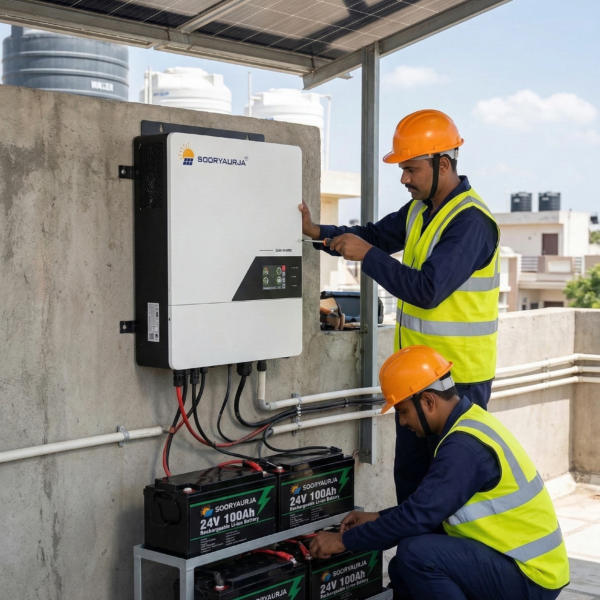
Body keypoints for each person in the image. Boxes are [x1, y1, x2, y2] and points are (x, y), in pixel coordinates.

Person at [299, 109, 500, 503]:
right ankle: (412, 544)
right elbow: (372, 235)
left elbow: (427, 289)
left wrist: (368, 255)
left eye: (411, 169)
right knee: (411, 484)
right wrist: (317, 232)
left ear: (443, 164)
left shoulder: (471, 222)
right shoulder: (420, 211)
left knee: (449, 493)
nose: (404, 178)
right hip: (417, 379)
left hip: (457, 383)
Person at [308, 345, 569, 600]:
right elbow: (429, 506)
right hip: (512, 560)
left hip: (531, 577)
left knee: (416, 555)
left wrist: (343, 541)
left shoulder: (463, 447)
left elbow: (418, 516)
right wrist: (377, 517)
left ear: (428, 401)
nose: (402, 422)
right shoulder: (470, 423)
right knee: (401, 570)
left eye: (403, 411)